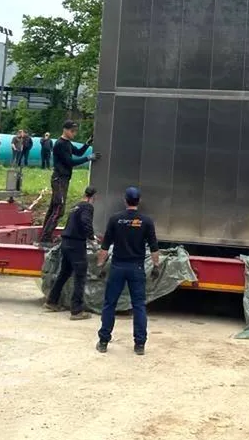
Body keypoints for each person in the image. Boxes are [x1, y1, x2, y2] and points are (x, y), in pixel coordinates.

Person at [96, 186, 160, 356]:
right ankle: (139, 344)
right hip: (136, 268)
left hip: (117, 267)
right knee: (138, 305)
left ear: (125, 200)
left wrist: (100, 265)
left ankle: (103, 341)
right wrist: (156, 266)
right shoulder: (146, 222)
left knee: (110, 304)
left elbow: (105, 246)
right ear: (139, 201)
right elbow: (154, 247)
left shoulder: (115, 219)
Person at [43, 186, 98, 320]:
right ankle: (77, 310)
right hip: (76, 245)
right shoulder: (87, 207)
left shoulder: (76, 206)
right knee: (80, 276)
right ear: (93, 197)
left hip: (66, 243)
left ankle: (52, 301)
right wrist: (92, 238)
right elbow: (86, 222)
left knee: (64, 273)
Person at [39, 120, 96, 244]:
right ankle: (45, 237)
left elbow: (78, 152)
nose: (74, 134)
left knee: (54, 208)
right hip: (59, 179)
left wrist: (88, 142)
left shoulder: (68, 143)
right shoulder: (60, 144)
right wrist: (88, 158)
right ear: (65, 130)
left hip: (63, 179)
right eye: (72, 131)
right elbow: (70, 162)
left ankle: (45, 234)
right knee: (59, 208)